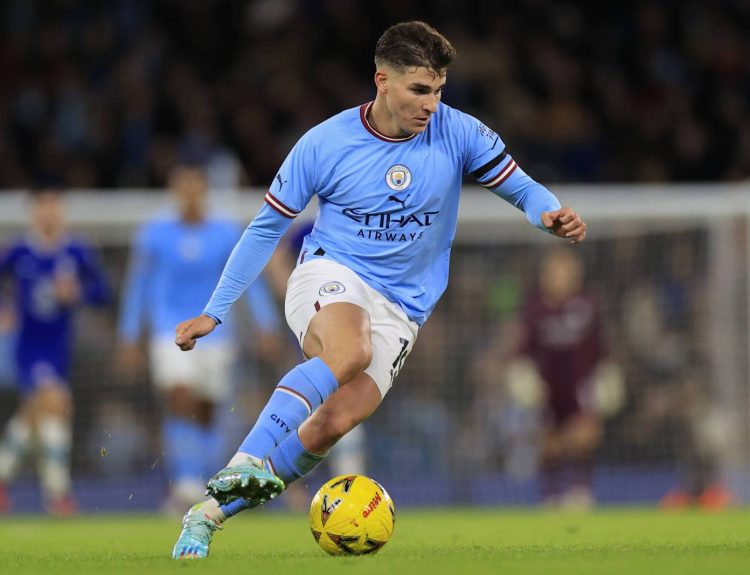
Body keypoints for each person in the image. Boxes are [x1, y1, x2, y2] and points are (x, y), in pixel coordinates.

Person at [170, 21, 587, 559]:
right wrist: (215, 311)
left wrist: (548, 213)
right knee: (351, 348)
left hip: (403, 306)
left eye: (438, 90)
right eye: (419, 90)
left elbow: (522, 188)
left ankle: (207, 514)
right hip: (331, 273)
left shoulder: (459, 132)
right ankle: (245, 461)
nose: (431, 104)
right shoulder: (324, 143)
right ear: (382, 81)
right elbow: (266, 229)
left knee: (332, 424)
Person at [117, 165, 281, 513]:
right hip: (169, 329)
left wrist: (265, 324)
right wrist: (129, 335)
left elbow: (245, 278)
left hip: (216, 333)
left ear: (204, 190)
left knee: (207, 409)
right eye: (183, 187)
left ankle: (204, 482)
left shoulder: (224, 232)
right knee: (180, 395)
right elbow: (138, 285)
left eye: (196, 186)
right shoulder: (155, 233)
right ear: (175, 191)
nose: (190, 194)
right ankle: (185, 483)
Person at [0, 187, 110, 515]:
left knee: (35, 418)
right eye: (42, 207)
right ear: (33, 212)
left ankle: (3, 475)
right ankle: (58, 492)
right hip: (29, 348)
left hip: (61, 348)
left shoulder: (75, 251)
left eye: (54, 207)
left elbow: (103, 291)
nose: (48, 213)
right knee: (56, 402)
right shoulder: (19, 251)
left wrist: (78, 293)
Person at [512, 247, 620, 508]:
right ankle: (550, 496)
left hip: (579, 386)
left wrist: (607, 376)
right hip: (546, 388)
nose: (560, 278)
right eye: (554, 273)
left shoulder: (588, 306)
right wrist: (523, 376)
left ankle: (581, 490)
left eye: (565, 272)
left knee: (584, 437)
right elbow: (523, 350)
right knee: (548, 443)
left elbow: (602, 348)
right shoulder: (535, 309)